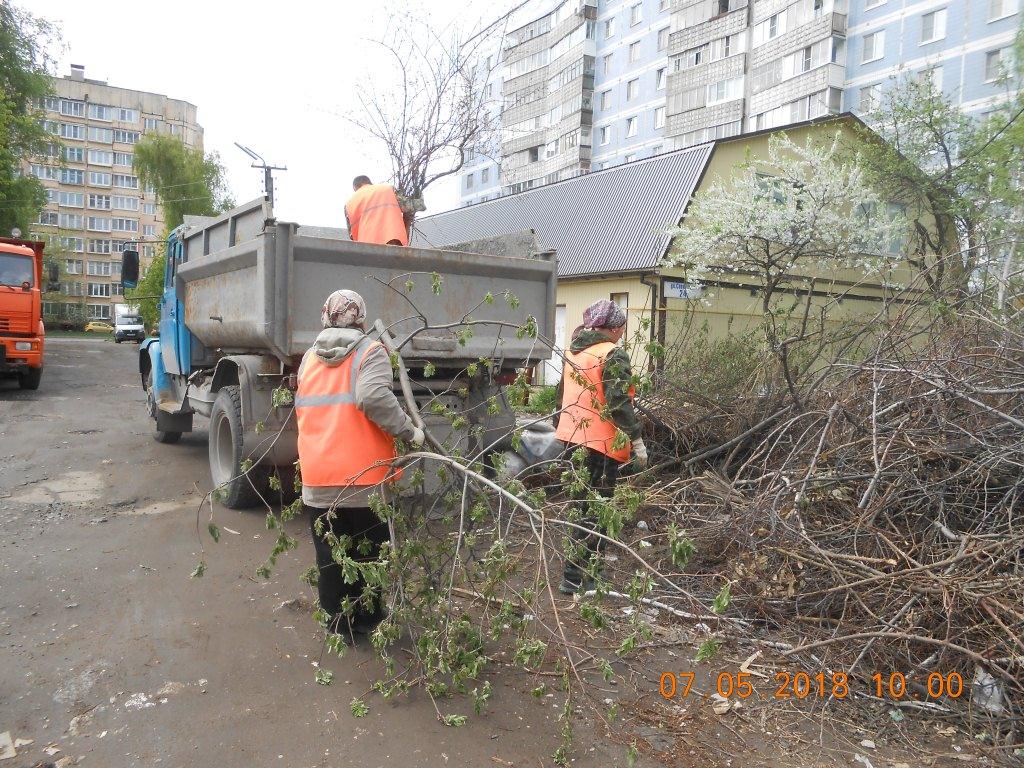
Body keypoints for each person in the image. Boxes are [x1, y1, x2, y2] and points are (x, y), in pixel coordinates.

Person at [295, 289, 424, 641]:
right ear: (362, 318)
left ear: (325, 316)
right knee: (367, 555)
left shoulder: (308, 358)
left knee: (331, 557)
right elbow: (373, 398)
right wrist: (410, 432)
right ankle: (366, 621)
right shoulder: (370, 351)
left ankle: (339, 626)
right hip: (364, 479)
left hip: (319, 479)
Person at [554, 299, 648, 595]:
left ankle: (572, 576)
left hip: (572, 441)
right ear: (614, 328)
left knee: (579, 507)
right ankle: (588, 577)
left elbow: (561, 398)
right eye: (621, 327)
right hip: (600, 445)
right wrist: (636, 439)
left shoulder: (573, 351)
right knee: (597, 509)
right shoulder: (612, 354)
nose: (622, 332)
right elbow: (618, 403)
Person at [344, 175, 409, 246]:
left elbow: (352, 236)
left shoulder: (349, 204)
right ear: (370, 183)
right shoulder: (388, 189)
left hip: (367, 245)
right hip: (393, 239)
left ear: (355, 187)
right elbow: (408, 207)